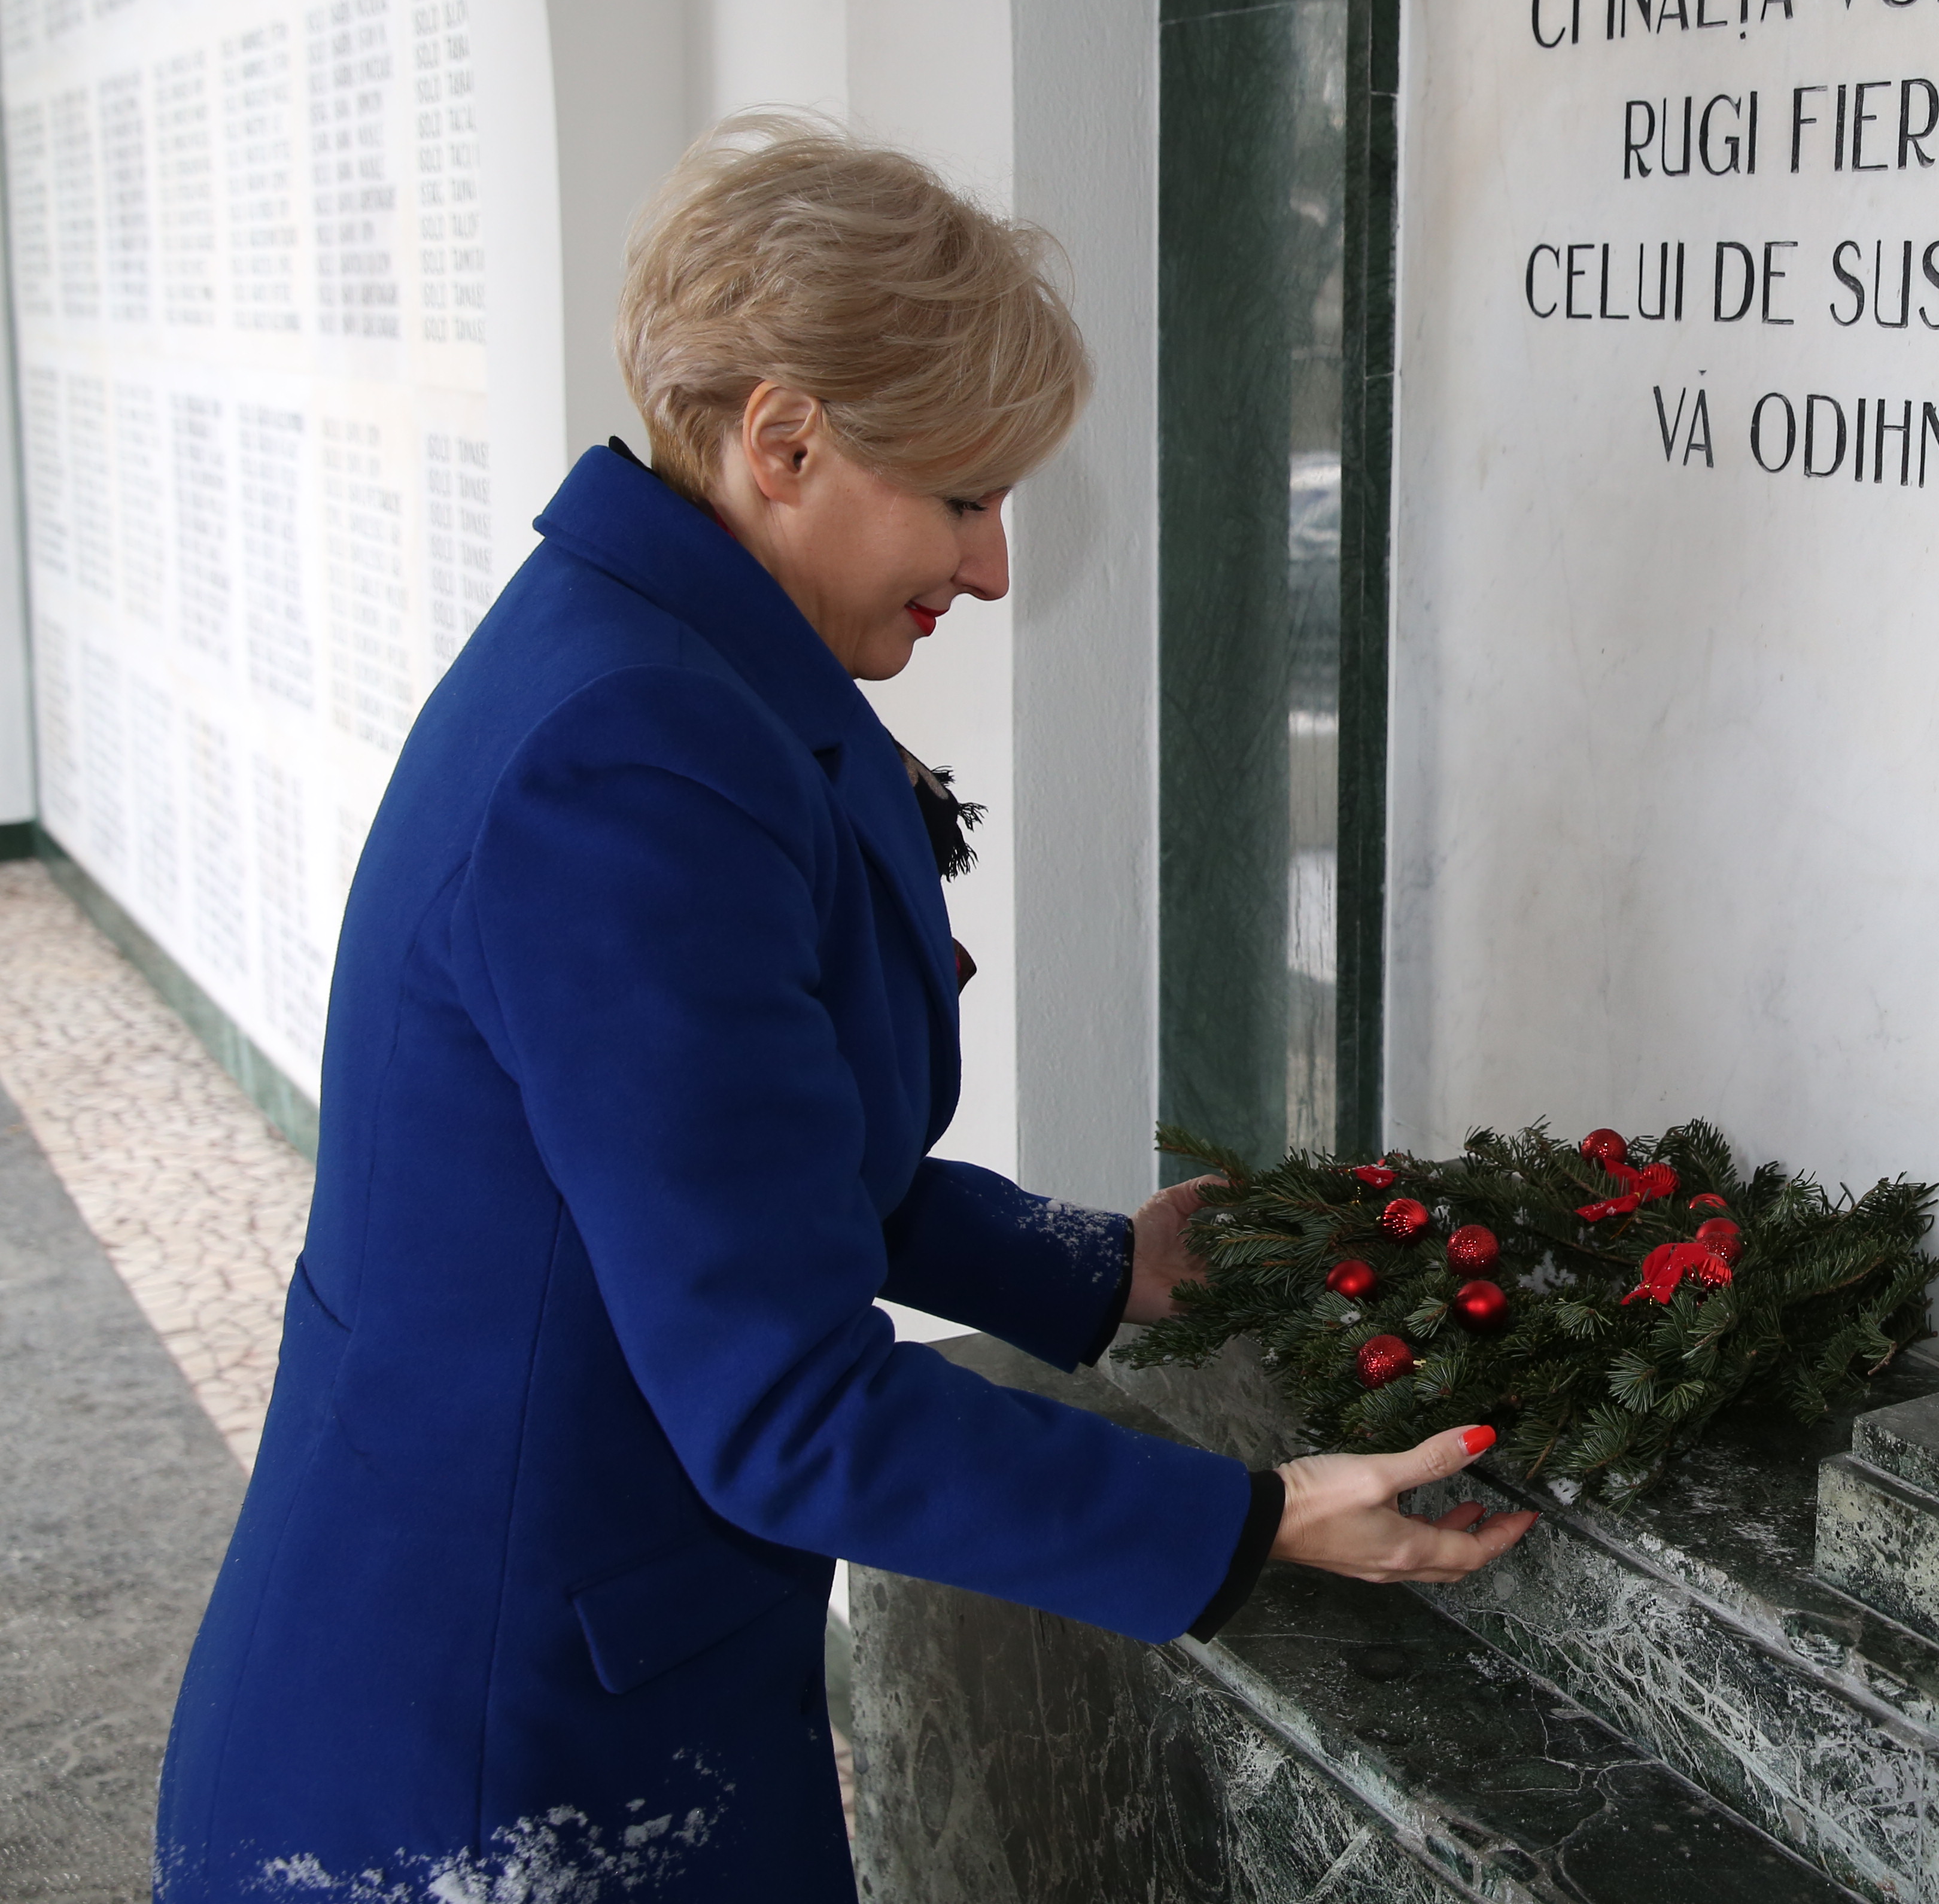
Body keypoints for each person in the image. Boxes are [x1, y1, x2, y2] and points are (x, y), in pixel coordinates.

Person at [154, 120, 1531, 1900]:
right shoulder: (634, 757)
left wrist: (1102, 1269)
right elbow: (785, 1401)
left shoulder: (683, 664)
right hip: (496, 1749)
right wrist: (1254, 1521)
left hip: (582, 1658)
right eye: (963, 497)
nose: (994, 566)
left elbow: (749, 1165)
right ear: (783, 440)